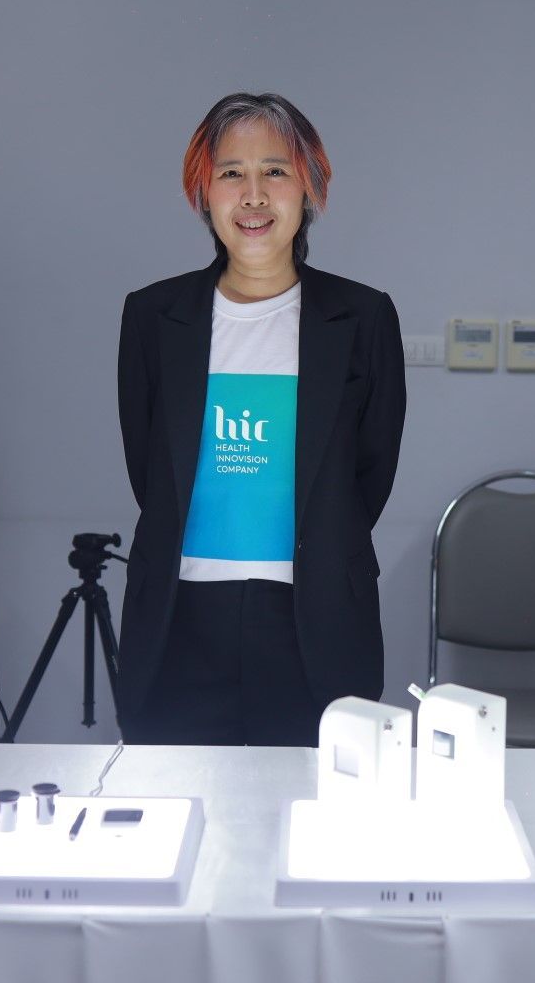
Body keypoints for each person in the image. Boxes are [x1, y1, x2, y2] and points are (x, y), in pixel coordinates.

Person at [116, 93, 406, 747]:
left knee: (312, 826)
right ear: (204, 192)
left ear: (311, 189)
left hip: (313, 622)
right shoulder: (153, 318)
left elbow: (369, 475)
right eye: (230, 173)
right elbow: (150, 470)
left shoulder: (362, 319)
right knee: (180, 813)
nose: (253, 195)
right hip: (179, 622)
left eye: (275, 171)